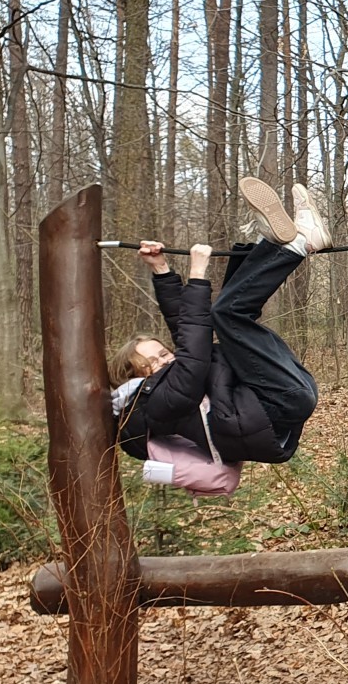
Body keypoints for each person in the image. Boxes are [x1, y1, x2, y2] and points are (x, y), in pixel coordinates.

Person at [110, 178, 330, 495]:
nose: (163, 361)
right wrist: (197, 275)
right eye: (150, 363)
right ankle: (300, 244)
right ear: (134, 376)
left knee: (230, 309)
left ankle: (270, 244)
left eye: (162, 353)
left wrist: (161, 270)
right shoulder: (157, 404)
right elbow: (192, 350)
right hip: (275, 403)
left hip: (275, 398)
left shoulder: (164, 386)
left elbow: (183, 329)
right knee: (228, 314)